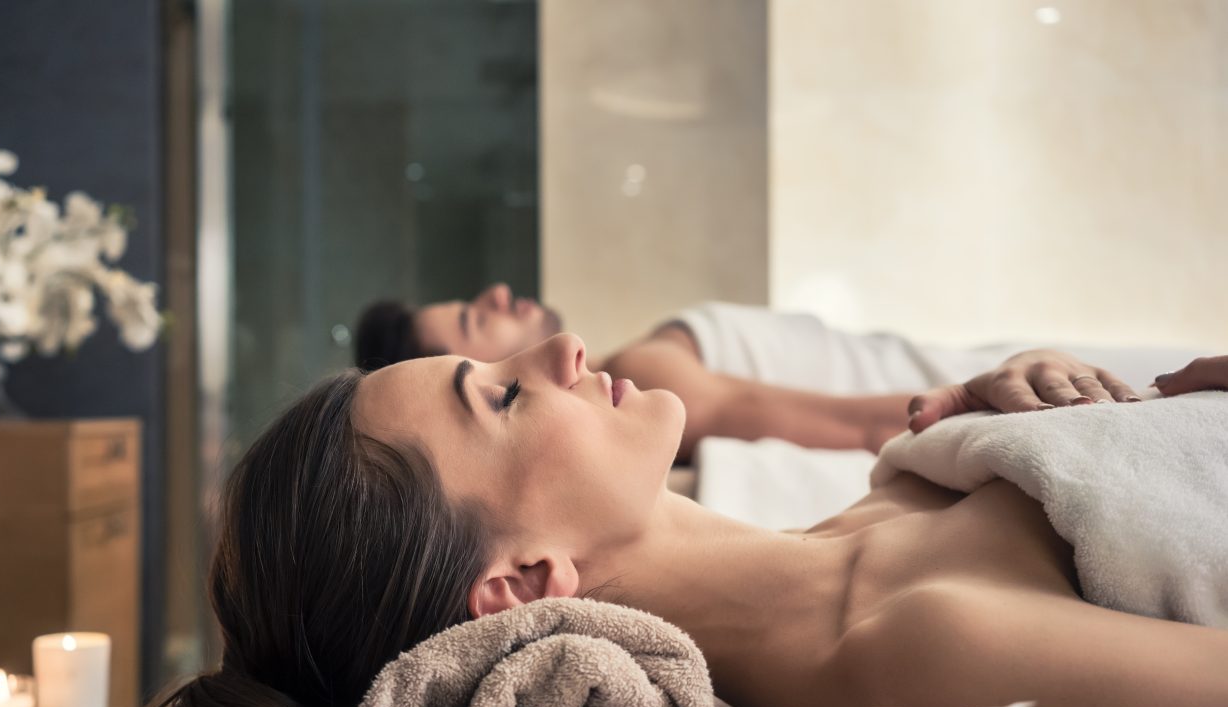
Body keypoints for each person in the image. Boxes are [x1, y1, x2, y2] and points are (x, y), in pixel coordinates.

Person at [109, 344, 1228, 707]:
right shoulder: (911, 642)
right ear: (519, 580)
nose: (558, 351)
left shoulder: (868, 518)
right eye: (501, 396)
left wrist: (1100, 408)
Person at [354, 285, 1181, 460]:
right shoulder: (646, 377)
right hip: (1028, 398)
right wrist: (997, 399)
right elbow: (858, 424)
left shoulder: (639, 362)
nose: (497, 295)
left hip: (1007, 373)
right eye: (474, 322)